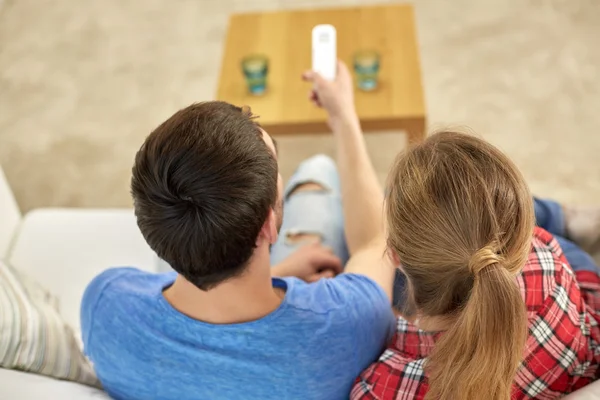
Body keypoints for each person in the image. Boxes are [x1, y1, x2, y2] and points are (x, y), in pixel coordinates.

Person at [303, 62, 600, 399]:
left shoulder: (379, 388)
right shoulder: (547, 262)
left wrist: (343, 118)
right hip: (575, 324)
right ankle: (562, 218)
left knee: (420, 211)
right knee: (484, 211)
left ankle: (562, 218)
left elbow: (372, 246)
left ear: (394, 255)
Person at [80, 99, 398, 399]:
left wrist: (280, 272)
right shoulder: (347, 322)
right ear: (270, 226)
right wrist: (343, 115)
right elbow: (375, 242)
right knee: (318, 170)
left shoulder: (106, 304)